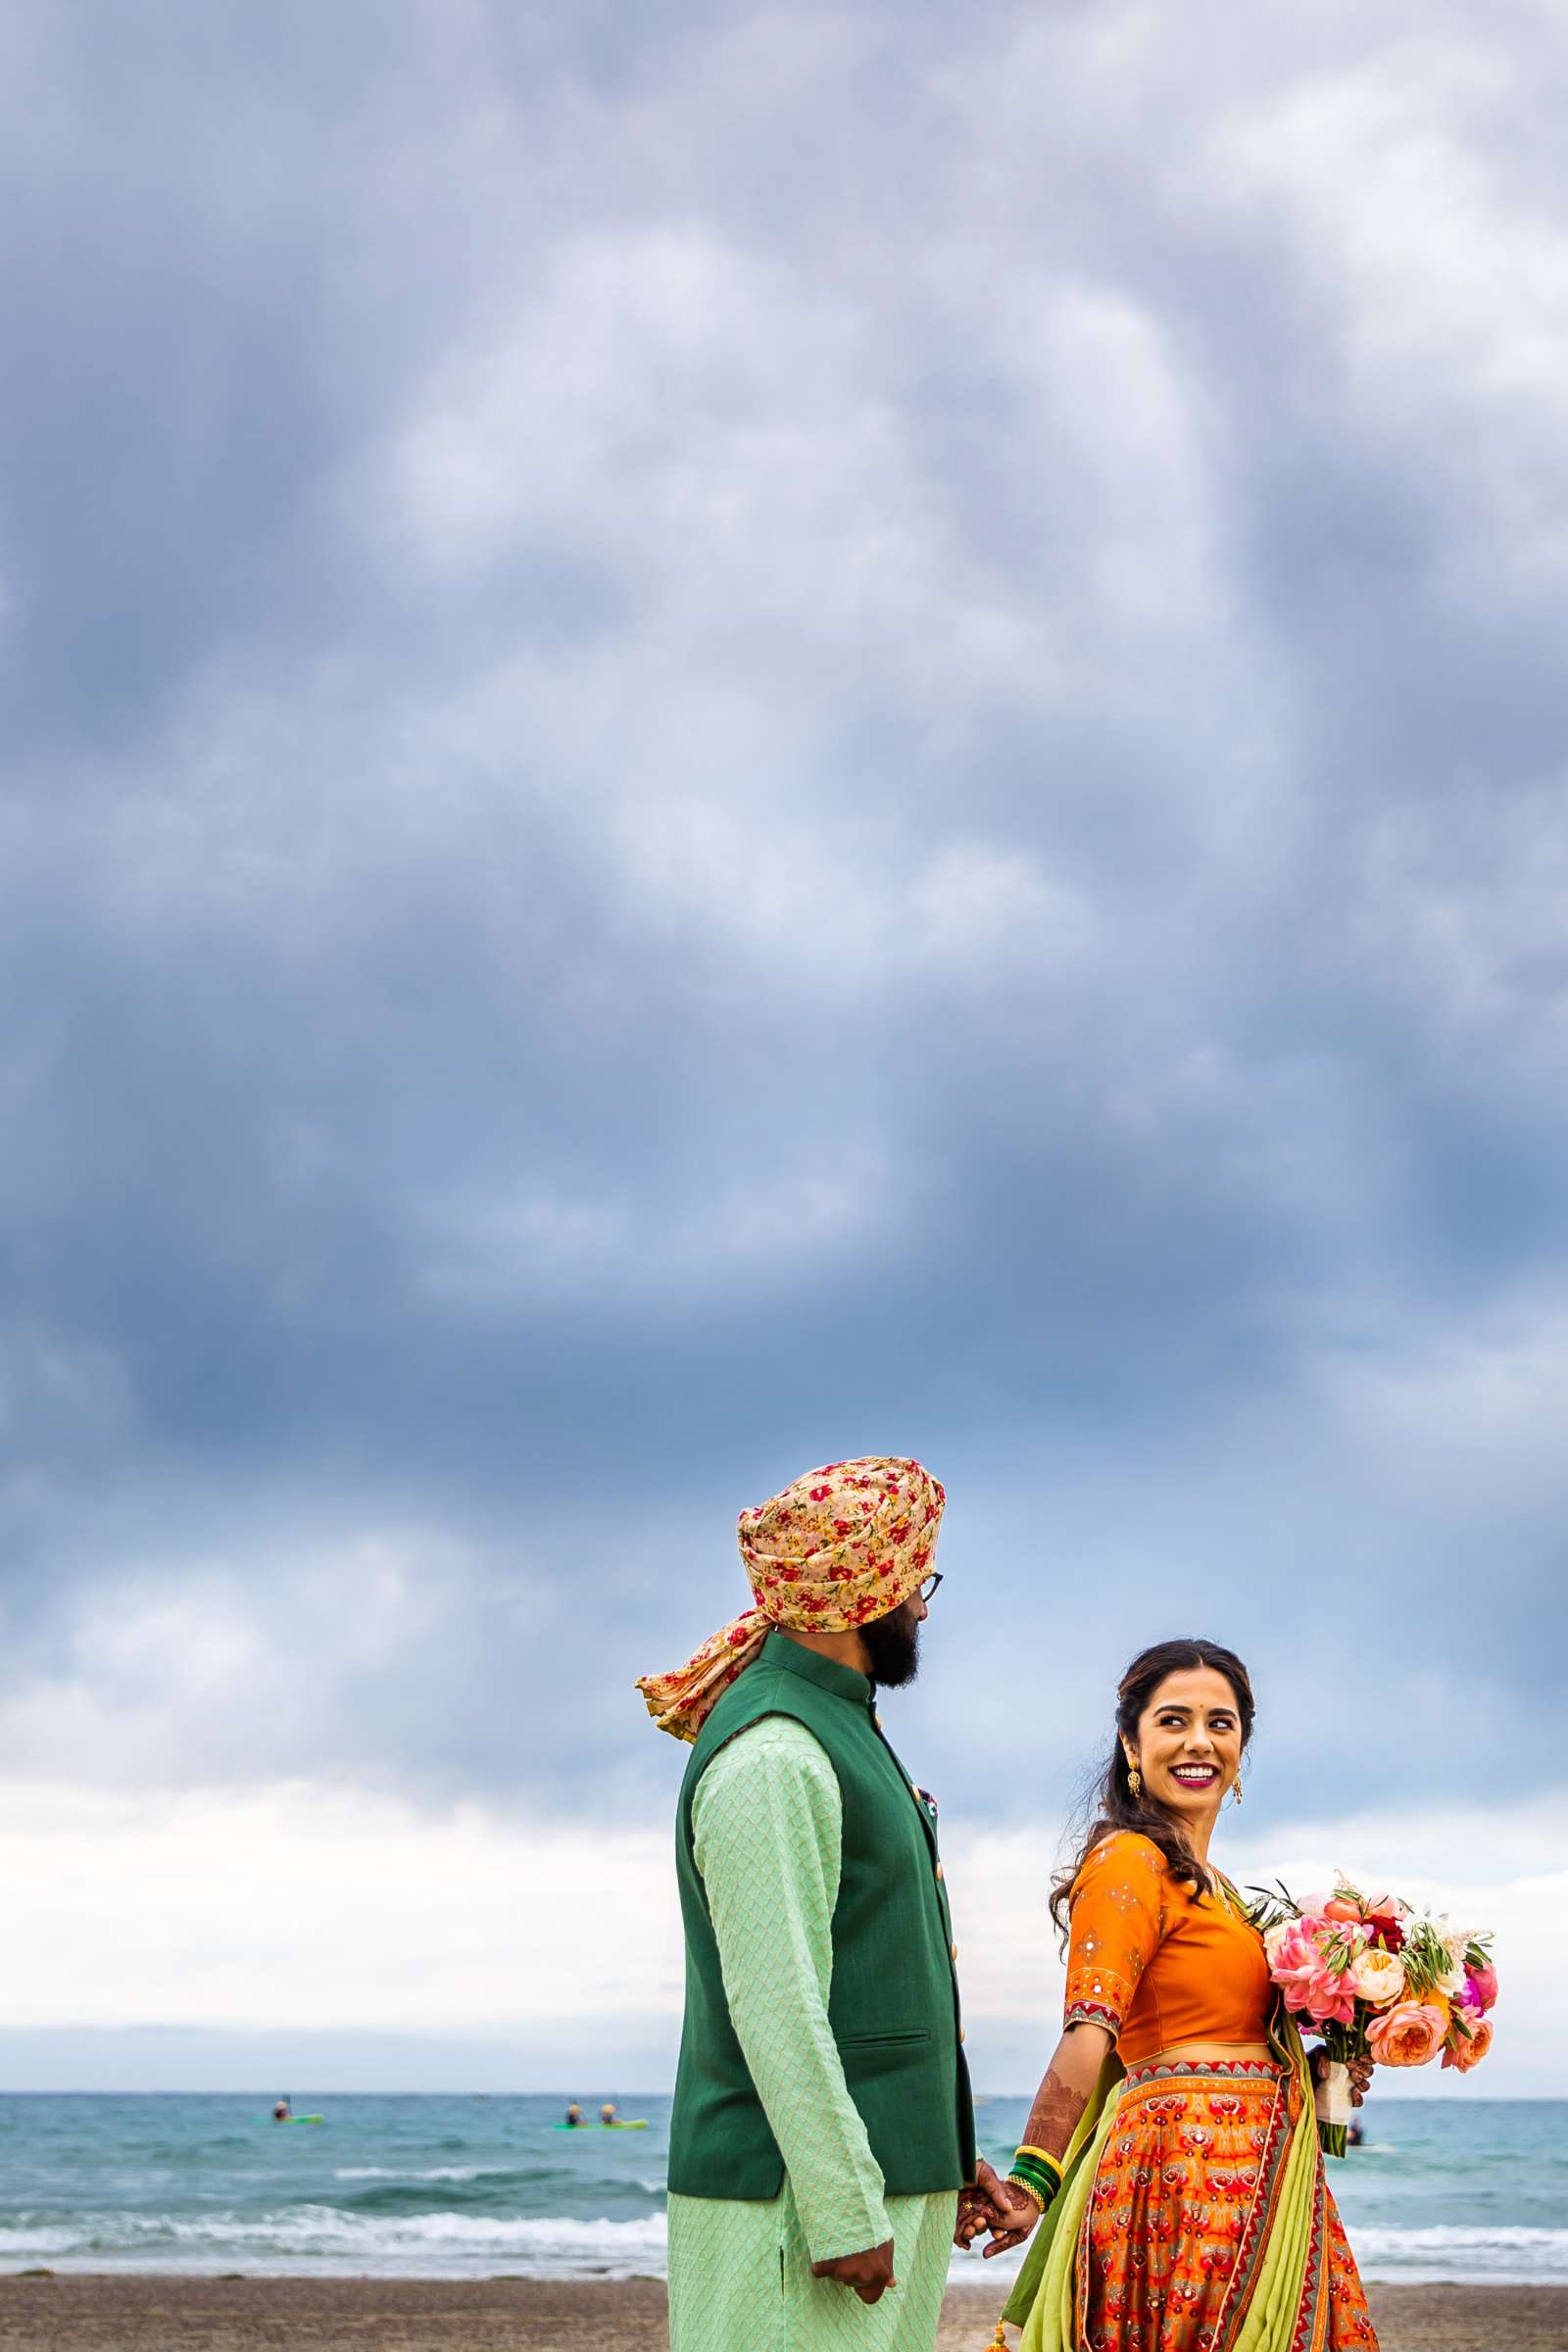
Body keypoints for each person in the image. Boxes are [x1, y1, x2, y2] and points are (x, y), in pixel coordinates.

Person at [638, 1456, 1013, 2352]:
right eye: (914, 1581)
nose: (922, 1607)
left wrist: (945, 2159)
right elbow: (776, 2004)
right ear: (863, 1593)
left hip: (873, 2188)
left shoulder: (838, 1727)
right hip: (799, 2209)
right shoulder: (775, 1752)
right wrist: (843, 2209)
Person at [967, 1639, 1380, 2352]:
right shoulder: (1129, 1861)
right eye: (1174, 1721)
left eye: (1221, 1723)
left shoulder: (1223, 1896)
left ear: (1242, 1747)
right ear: (1132, 1742)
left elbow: (1247, 2047)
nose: (1200, 1742)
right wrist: (1032, 2180)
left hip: (1269, 2180)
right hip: (1178, 2183)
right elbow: (1088, 2033)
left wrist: (1330, 2075)